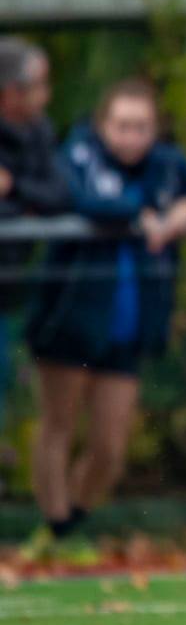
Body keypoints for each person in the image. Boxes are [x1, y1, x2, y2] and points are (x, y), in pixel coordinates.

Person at [25, 78, 186, 551]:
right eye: (122, 126)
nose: (132, 137)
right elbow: (73, 199)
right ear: (103, 125)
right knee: (58, 426)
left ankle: (66, 526)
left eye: (142, 127)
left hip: (128, 329)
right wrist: (138, 214)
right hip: (71, 320)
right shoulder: (79, 156)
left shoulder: (166, 165)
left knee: (110, 447)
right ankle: (55, 527)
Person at [0, 38, 70, 461]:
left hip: (15, 285)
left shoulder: (39, 131)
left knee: (13, 386)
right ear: (10, 92)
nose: (46, 95)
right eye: (39, 84)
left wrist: (15, 190)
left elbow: (59, 195)